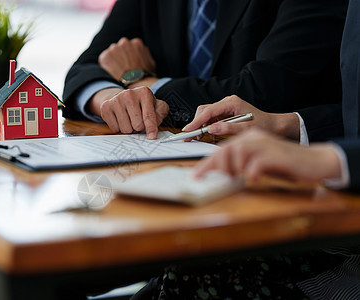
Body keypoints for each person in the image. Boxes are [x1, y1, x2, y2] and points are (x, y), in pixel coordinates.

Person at [131, 0, 360, 298]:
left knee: (197, 276)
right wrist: (288, 125)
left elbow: (261, 87)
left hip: (343, 248)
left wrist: (332, 159)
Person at [62, 0, 348, 141]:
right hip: (165, 167)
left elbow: (260, 95)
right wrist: (112, 97)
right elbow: (84, 68)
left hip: (273, 179)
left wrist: (139, 81)